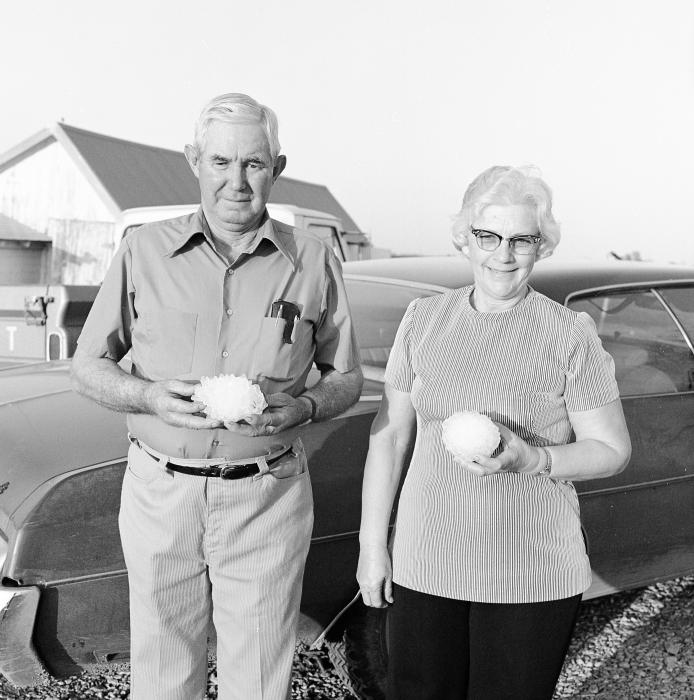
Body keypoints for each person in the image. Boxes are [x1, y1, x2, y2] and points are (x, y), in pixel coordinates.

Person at [71, 93, 362, 700]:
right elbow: (89, 366)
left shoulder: (312, 259)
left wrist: (307, 407)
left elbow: (345, 377)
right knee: (162, 671)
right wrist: (147, 396)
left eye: (254, 164)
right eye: (221, 162)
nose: (237, 181)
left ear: (276, 168)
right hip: (160, 494)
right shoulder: (143, 251)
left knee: (257, 674)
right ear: (194, 161)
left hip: (267, 494)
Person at [356, 165, 631, 700]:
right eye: (488, 235)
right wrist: (373, 547)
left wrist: (536, 460)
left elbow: (612, 450)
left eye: (522, 239)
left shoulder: (568, 333)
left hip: (526, 570)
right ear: (465, 237)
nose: (503, 254)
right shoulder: (424, 319)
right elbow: (388, 436)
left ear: (541, 246)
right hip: (426, 561)